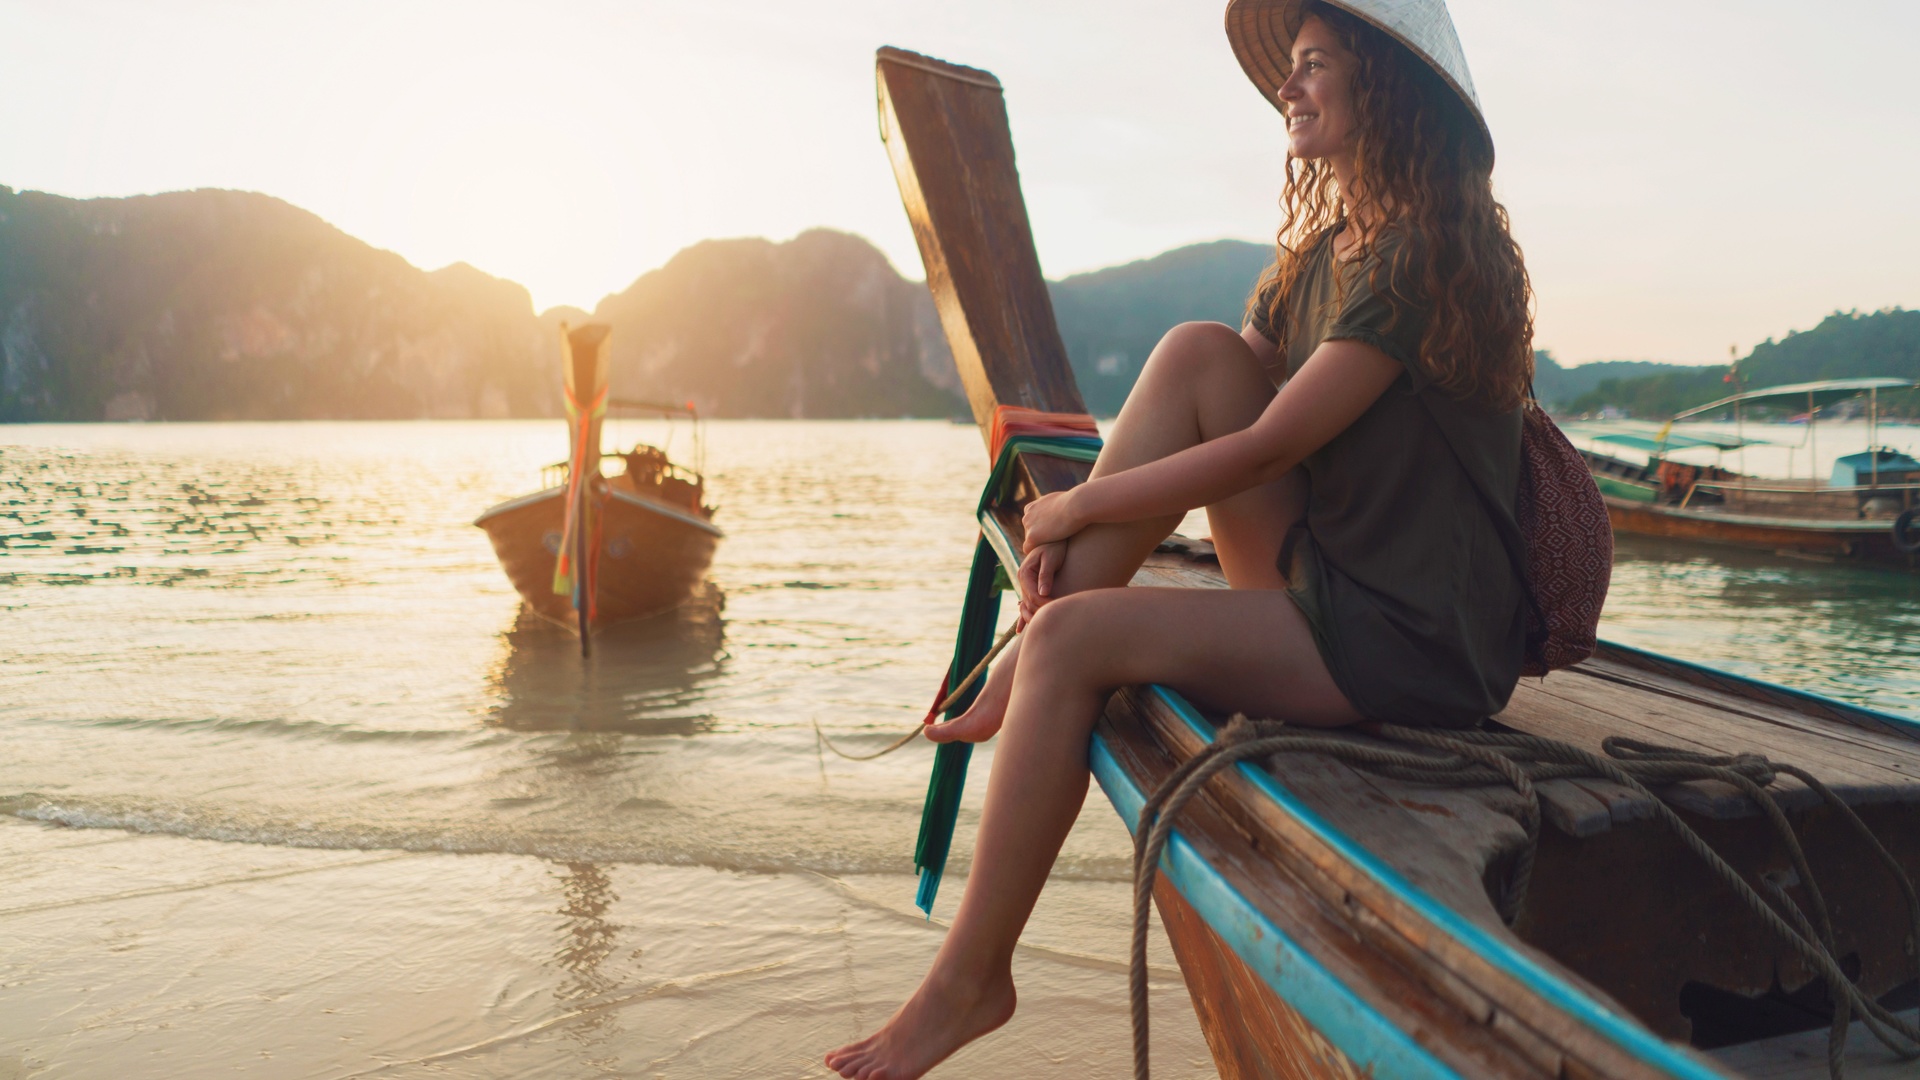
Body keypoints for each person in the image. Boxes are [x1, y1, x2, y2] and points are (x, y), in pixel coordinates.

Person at [827, 0, 1533, 1075]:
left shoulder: (1422, 252)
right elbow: (1215, 395)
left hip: (1408, 633)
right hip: (1328, 576)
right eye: (1289, 70)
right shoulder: (1320, 252)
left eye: (1312, 68)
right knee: (1198, 349)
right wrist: (1086, 523)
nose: (1289, 90)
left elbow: (1261, 454)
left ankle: (973, 981)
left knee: (1074, 647)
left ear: (1382, 87)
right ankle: (1042, 634)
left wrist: (1072, 509)